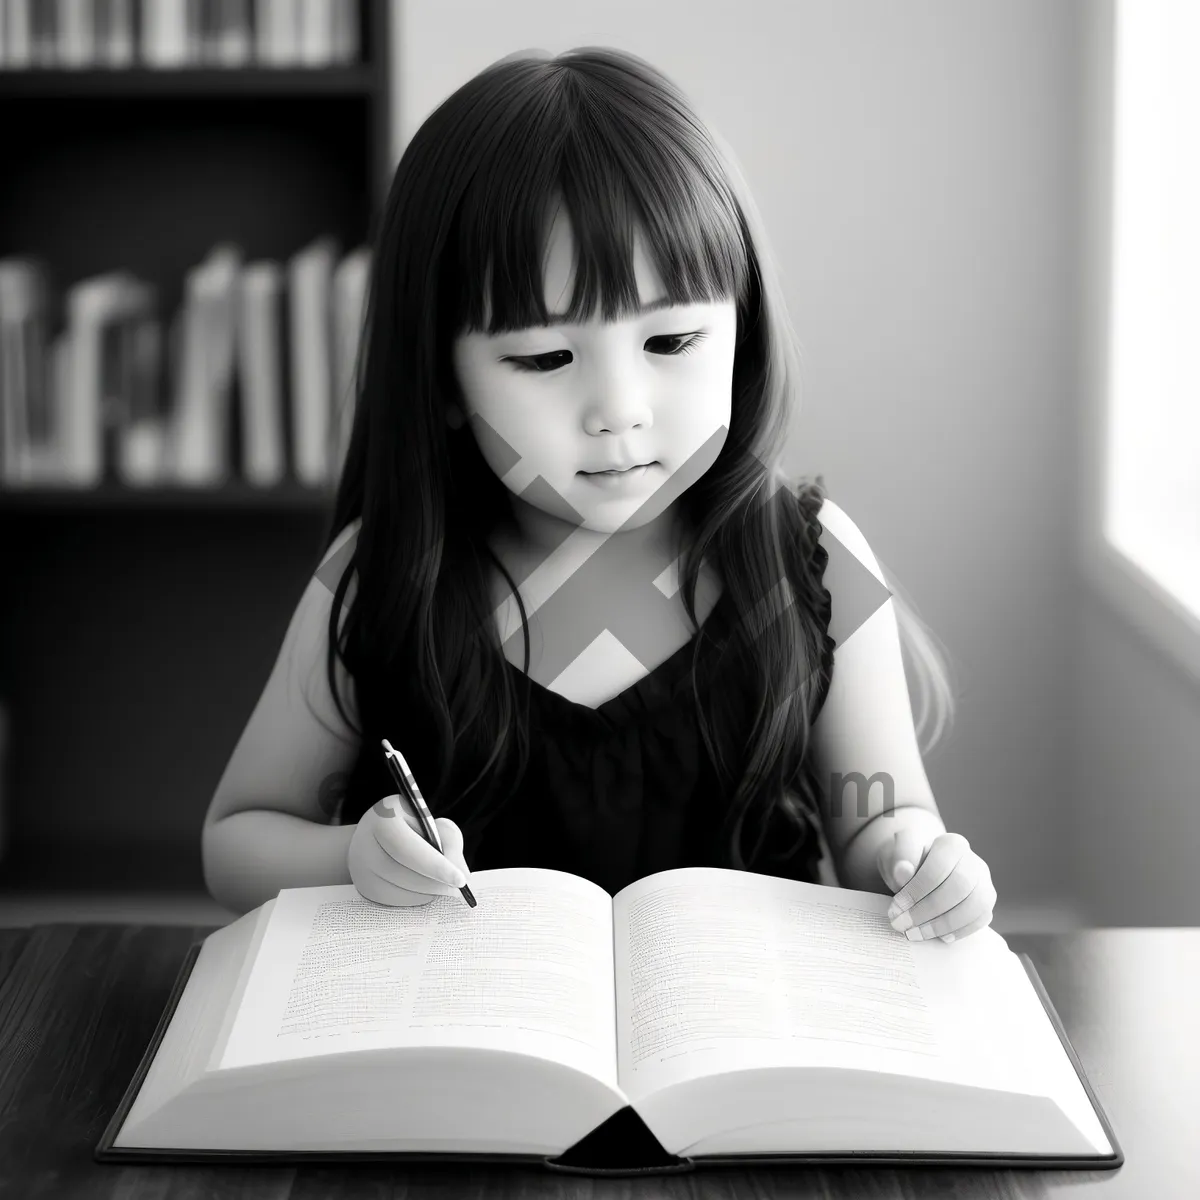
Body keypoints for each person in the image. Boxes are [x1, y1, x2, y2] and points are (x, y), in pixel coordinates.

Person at [202, 46, 997, 947]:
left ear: (745, 334)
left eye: (672, 343)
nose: (619, 412)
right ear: (444, 380)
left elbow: (880, 826)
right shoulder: (381, 572)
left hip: (743, 1060)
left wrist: (921, 864)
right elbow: (236, 841)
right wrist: (349, 859)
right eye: (545, 358)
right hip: (463, 1056)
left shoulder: (814, 564)